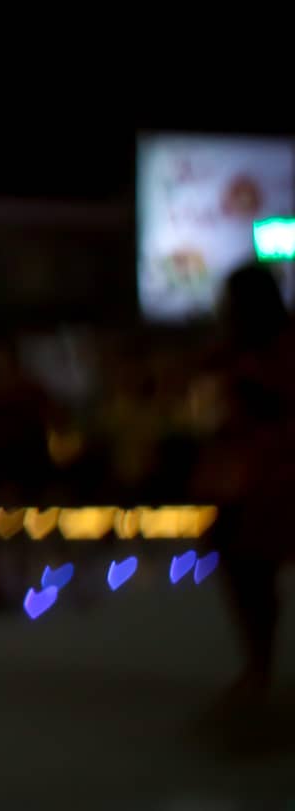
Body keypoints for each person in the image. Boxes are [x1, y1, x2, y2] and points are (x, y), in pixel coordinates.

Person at [192, 262, 295, 706]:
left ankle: (259, 664)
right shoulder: (235, 348)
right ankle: (258, 662)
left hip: (274, 473)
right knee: (244, 569)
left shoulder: (281, 347)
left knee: (251, 568)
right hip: (245, 477)